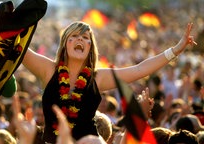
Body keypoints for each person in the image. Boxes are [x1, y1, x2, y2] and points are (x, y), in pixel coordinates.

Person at [22, 21, 196, 143]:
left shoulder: (98, 78)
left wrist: (176, 50)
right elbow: (19, 46)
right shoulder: (48, 69)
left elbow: (140, 70)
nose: (80, 40)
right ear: (65, 43)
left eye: (85, 38)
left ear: (90, 47)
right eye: (74, 36)